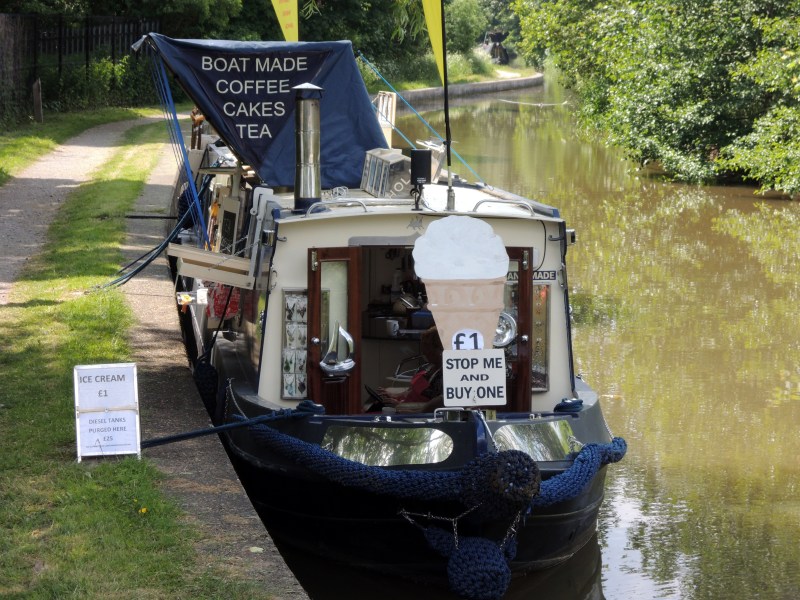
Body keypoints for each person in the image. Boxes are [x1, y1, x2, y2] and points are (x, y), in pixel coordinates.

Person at [366, 326, 444, 413]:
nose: (424, 351)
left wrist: (399, 405)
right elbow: (411, 391)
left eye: (427, 347)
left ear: (440, 349)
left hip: (409, 412)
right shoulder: (428, 367)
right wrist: (394, 395)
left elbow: (434, 405)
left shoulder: (442, 376)